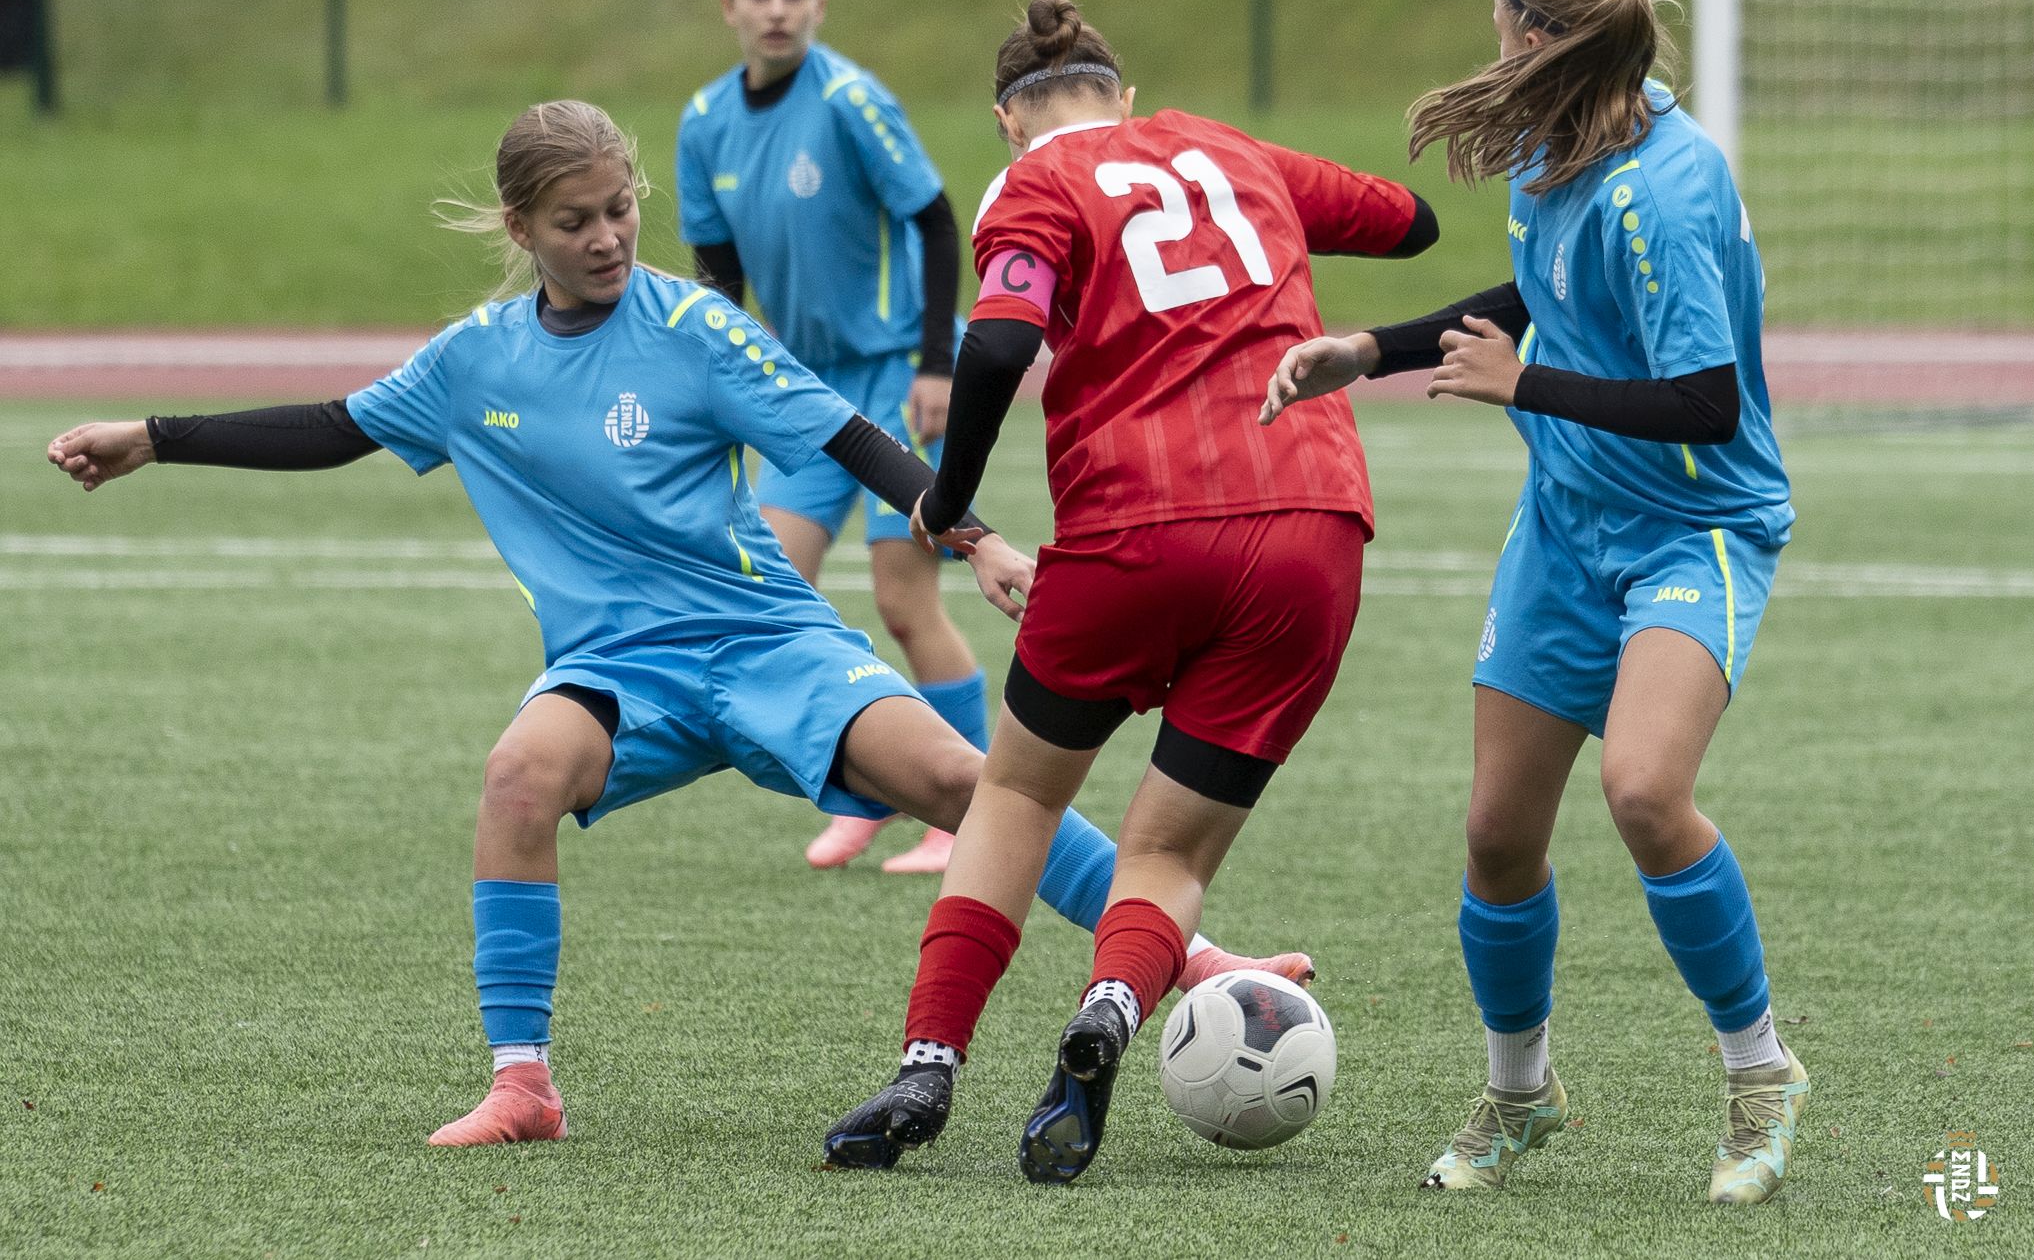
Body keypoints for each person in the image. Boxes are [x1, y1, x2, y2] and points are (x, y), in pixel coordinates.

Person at [46, 100, 1312, 1150]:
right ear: (520, 229)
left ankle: (1192, 957)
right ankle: (522, 1084)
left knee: (965, 784)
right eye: (574, 221)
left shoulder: (692, 327)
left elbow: (844, 434)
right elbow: (334, 429)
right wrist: (155, 437)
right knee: (517, 774)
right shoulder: (472, 361)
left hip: (766, 643)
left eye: (619, 209)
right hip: (617, 672)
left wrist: (970, 534)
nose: (606, 237)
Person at [823, 0, 1438, 1183]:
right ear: (1126, 95)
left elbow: (996, 342)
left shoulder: (1032, 184)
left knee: (1014, 792)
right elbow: (1410, 224)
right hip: (1309, 523)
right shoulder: (1227, 148)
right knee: (1169, 853)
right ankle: (1109, 1004)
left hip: (1133, 527)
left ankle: (928, 1064)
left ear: (1008, 119)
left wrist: (949, 497)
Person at [1263, 0, 1806, 1205]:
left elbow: (1705, 402)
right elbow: (1540, 290)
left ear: (1536, 32)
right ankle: (1520, 1096)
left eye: (1497, 16)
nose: (1490, 38)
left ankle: (1761, 1074)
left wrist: (1524, 388)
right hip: (1565, 524)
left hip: (1692, 528)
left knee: (1643, 792)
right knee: (1497, 834)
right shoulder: (1558, 135)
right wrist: (1370, 350)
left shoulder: (1662, 186)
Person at [678, 0, 977, 874]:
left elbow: (936, 221)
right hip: (801, 392)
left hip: (896, 372)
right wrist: (720, 394)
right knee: (778, 597)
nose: (777, 10)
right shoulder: (703, 122)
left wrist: (937, 364)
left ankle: (967, 810)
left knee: (903, 598)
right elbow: (718, 281)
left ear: (819, 4)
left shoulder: (851, 100)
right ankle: (875, 787)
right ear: (728, 7)